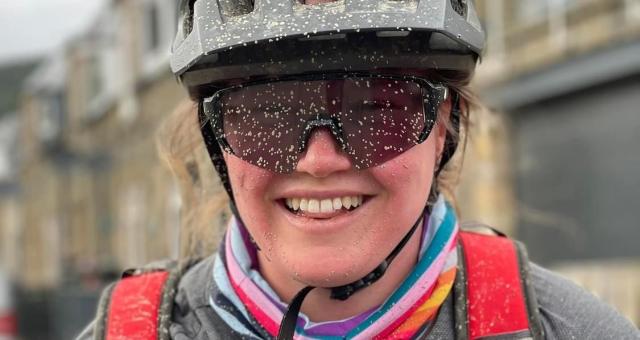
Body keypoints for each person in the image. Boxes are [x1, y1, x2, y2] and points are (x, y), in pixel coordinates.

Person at [78, 0, 639, 339]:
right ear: (215, 139)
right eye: (267, 117)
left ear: (446, 125)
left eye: (378, 110)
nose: (320, 161)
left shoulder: (571, 331)